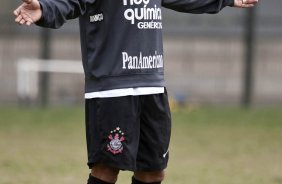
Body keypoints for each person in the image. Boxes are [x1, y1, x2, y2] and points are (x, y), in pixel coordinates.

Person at [14, 0, 258, 183]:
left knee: (153, 170)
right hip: (112, 89)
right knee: (107, 168)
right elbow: (71, 1)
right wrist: (44, 8)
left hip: (152, 85)